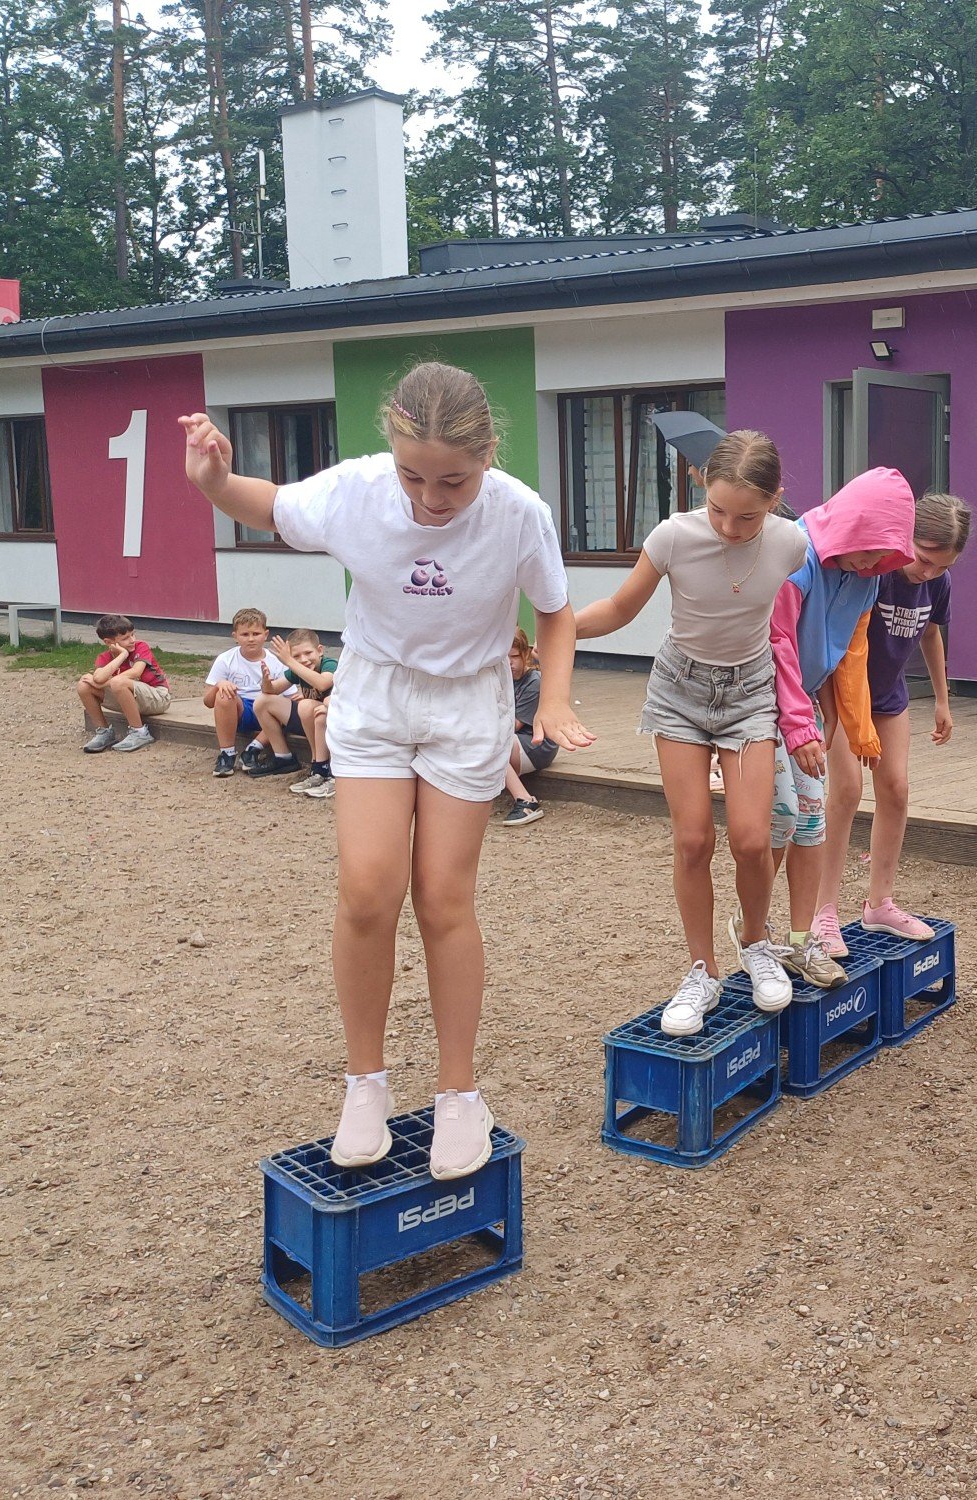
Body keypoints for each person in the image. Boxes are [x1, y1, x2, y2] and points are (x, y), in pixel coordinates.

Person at [180, 361, 592, 1181]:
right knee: (368, 889)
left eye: (453, 481)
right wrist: (215, 480)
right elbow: (269, 504)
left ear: (488, 455)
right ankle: (364, 1083)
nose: (431, 499)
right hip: (374, 695)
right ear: (392, 455)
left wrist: (552, 700)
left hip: (465, 705)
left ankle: (458, 1093)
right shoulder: (360, 489)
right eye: (414, 476)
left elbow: (555, 612)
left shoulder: (519, 513)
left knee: (443, 897)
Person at [573, 430, 808, 1033]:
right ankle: (702, 971)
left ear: (775, 499)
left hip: (750, 693)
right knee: (694, 839)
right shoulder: (673, 536)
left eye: (747, 516)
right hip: (679, 691)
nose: (730, 527)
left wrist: (809, 709)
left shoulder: (790, 543)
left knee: (753, 838)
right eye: (719, 509)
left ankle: (755, 944)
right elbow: (619, 608)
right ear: (702, 485)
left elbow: (806, 617)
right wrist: (558, 629)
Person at [769, 467, 917, 985]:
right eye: (869, 551)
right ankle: (755, 935)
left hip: (805, 701)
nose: (874, 564)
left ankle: (800, 937)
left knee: (810, 820)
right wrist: (799, 725)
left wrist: (844, 718)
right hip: (762, 699)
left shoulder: (867, 577)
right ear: (851, 526)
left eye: (883, 556)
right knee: (776, 822)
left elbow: (851, 648)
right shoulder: (799, 556)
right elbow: (778, 641)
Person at [815, 492, 973, 955]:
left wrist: (942, 699)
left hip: (889, 698)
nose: (928, 572)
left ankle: (879, 903)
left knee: (897, 790)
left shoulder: (937, 584)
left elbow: (931, 633)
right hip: (847, 696)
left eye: (942, 566)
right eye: (923, 560)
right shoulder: (875, 573)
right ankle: (823, 910)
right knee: (846, 791)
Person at [201, 608, 296, 778]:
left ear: (265, 635)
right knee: (224, 695)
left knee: (288, 706)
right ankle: (227, 754)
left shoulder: (277, 661)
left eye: (256, 633)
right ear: (235, 636)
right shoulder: (225, 659)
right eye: (245, 634)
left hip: (268, 712)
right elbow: (208, 702)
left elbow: (291, 696)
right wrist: (219, 685)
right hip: (240, 711)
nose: (251, 639)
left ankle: (252, 750)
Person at [76, 614, 170, 753]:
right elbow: (98, 678)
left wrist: (105, 684)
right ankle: (104, 732)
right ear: (109, 642)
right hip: (131, 699)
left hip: (158, 697)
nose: (132, 640)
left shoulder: (141, 647)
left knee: (118, 682)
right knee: (84, 685)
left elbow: (136, 672)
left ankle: (139, 732)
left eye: (133, 635)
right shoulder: (105, 657)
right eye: (125, 638)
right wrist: (122, 655)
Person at [262, 629, 338, 795]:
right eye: (296, 656)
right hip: (314, 722)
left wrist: (290, 661)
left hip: (336, 723)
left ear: (320, 650)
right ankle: (300, 763)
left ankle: (325, 770)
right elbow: (272, 690)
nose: (303, 659)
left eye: (308, 653)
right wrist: (266, 682)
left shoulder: (329, 664)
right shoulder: (298, 670)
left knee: (312, 707)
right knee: (263, 701)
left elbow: (323, 683)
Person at [501, 628, 558, 827]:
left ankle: (526, 801)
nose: (509, 663)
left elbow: (512, 726)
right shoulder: (502, 679)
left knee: (492, 745)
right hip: (513, 741)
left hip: (537, 745)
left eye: (514, 656)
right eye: (504, 658)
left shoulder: (534, 682)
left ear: (525, 654)